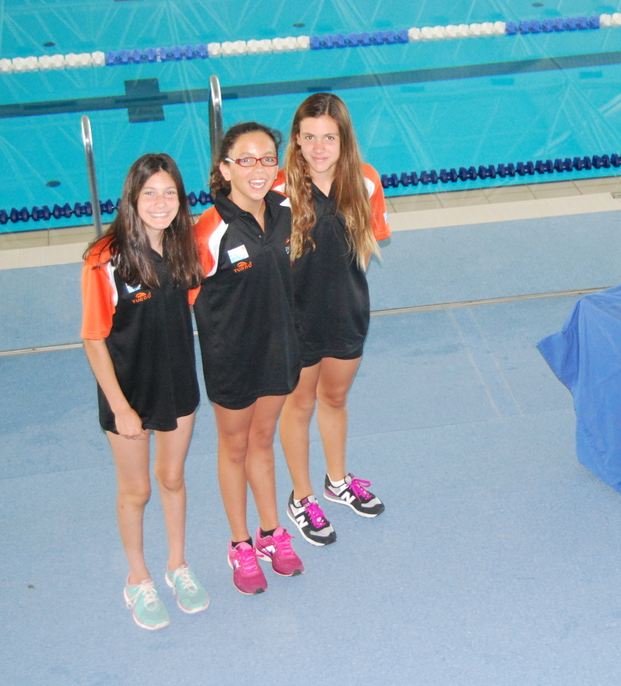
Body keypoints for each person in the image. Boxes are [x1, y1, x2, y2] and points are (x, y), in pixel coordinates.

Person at [81, 153, 208, 630]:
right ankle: (138, 578)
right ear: (132, 199)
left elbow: (193, 305)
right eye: (149, 193)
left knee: (172, 478)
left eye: (169, 192)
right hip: (128, 392)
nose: (160, 202)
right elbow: (94, 338)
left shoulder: (185, 247)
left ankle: (178, 565)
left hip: (178, 382)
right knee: (137, 490)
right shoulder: (105, 259)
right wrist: (120, 408)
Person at [191, 122, 304, 595]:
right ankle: (240, 543)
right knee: (235, 447)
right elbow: (180, 298)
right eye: (246, 160)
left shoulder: (286, 208)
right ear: (225, 169)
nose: (258, 169)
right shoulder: (208, 229)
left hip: (279, 350)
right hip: (232, 359)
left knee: (263, 440)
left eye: (267, 159)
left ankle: (272, 532)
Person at [275, 92, 390, 546]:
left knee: (335, 398)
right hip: (294, 320)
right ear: (295, 140)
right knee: (299, 404)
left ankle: (337, 482)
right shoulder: (276, 191)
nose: (319, 148)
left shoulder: (365, 181)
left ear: (344, 140)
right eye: (309, 138)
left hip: (346, 310)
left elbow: (368, 240)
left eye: (329, 138)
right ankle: (301, 497)